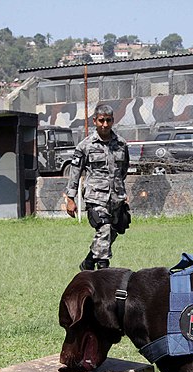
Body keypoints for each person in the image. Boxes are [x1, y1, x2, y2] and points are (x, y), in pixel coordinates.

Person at [65, 104, 131, 270]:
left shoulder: (121, 144)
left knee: (114, 230)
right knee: (104, 228)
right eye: (101, 120)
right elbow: (75, 172)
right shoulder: (85, 146)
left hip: (116, 198)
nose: (105, 124)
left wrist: (121, 191)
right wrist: (70, 199)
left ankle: (88, 262)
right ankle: (103, 270)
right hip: (96, 197)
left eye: (108, 120)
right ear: (95, 121)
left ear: (113, 121)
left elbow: (123, 170)